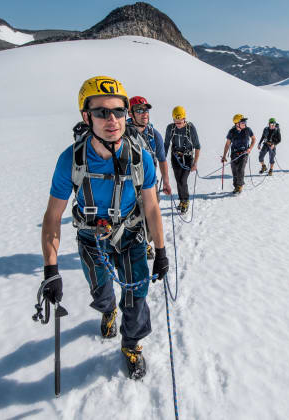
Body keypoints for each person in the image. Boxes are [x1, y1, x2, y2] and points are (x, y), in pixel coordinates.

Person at [40, 76, 169, 380]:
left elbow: (151, 206)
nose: (112, 119)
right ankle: (107, 309)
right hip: (91, 237)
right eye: (101, 112)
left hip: (130, 233)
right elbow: (52, 217)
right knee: (101, 291)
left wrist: (160, 250)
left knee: (137, 295)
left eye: (118, 111)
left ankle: (132, 343)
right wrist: (51, 268)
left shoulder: (141, 158)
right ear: (87, 117)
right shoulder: (70, 161)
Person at [127, 96, 171, 259]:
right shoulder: (121, 133)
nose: (144, 113)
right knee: (129, 216)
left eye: (145, 110)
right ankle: (131, 244)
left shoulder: (154, 135)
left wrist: (166, 180)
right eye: (139, 110)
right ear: (130, 113)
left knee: (150, 215)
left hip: (149, 183)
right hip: (128, 183)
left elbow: (161, 159)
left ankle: (145, 243)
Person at [164, 106, 201, 213]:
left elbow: (197, 146)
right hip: (175, 157)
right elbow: (166, 144)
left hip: (188, 158)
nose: (178, 124)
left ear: (184, 118)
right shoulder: (170, 128)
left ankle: (185, 201)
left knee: (182, 180)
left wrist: (195, 163)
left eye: (180, 121)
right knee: (178, 180)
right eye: (176, 121)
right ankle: (181, 201)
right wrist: (163, 158)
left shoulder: (190, 128)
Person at [221, 114, 256, 194]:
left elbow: (254, 139)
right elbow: (227, 144)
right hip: (234, 154)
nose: (245, 123)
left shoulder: (248, 130)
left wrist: (250, 148)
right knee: (234, 171)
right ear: (237, 124)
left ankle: (239, 186)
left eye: (245, 121)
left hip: (244, 153)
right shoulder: (232, 132)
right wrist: (224, 156)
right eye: (243, 122)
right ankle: (236, 186)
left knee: (240, 169)